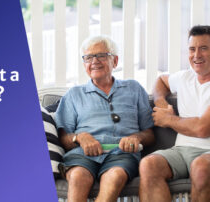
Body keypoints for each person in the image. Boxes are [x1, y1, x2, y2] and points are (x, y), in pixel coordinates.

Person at [55, 35, 154, 202]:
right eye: (88, 57)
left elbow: (150, 134)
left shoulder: (134, 88)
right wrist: (79, 137)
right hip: (82, 153)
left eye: (101, 55)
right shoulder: (74, 95)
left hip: (122, 153)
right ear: (84, 64)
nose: (94, 61)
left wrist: (136, 137)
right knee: (78, 176)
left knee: (114, 176)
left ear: (115, 61)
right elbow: (63, 138)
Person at [139, 25, 210, 202]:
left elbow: (202, 128)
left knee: (201, 168)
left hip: (207, 153)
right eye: (192, 49)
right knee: (149, 164)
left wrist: (168, 119)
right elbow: (160, 81)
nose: (196, 55)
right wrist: (161, 103)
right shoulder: (186, 77)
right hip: (180, 150)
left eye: (204, 48)